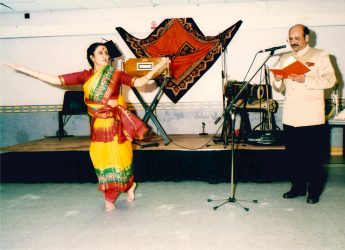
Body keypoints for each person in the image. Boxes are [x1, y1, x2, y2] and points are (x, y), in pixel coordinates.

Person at [6, 42, 170, 211]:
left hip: (116, 124)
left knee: (120, 158)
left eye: (106, 52)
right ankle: (124, 188)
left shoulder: (117, 74)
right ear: (92, 57)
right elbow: (57, 80)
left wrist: (157, 68)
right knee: (101, 158)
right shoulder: (85, 76)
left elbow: (140, 82)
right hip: (99, 125)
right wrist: (25, 69)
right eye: (100, 52)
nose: (105, 55)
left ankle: (121, 190)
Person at [272, 24, 336, 204]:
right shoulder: (285, 57)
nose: (293, 42)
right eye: (290, 39)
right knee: (293, 157)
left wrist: (306, 79)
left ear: (307, 38)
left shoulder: (320, 55)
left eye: (297, 38)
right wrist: (277, 80)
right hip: (291, 116)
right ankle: (297, 187)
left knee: (313, 158)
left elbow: (331, 80)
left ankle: (314, 191)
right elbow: (279, 88)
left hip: (311, 117)